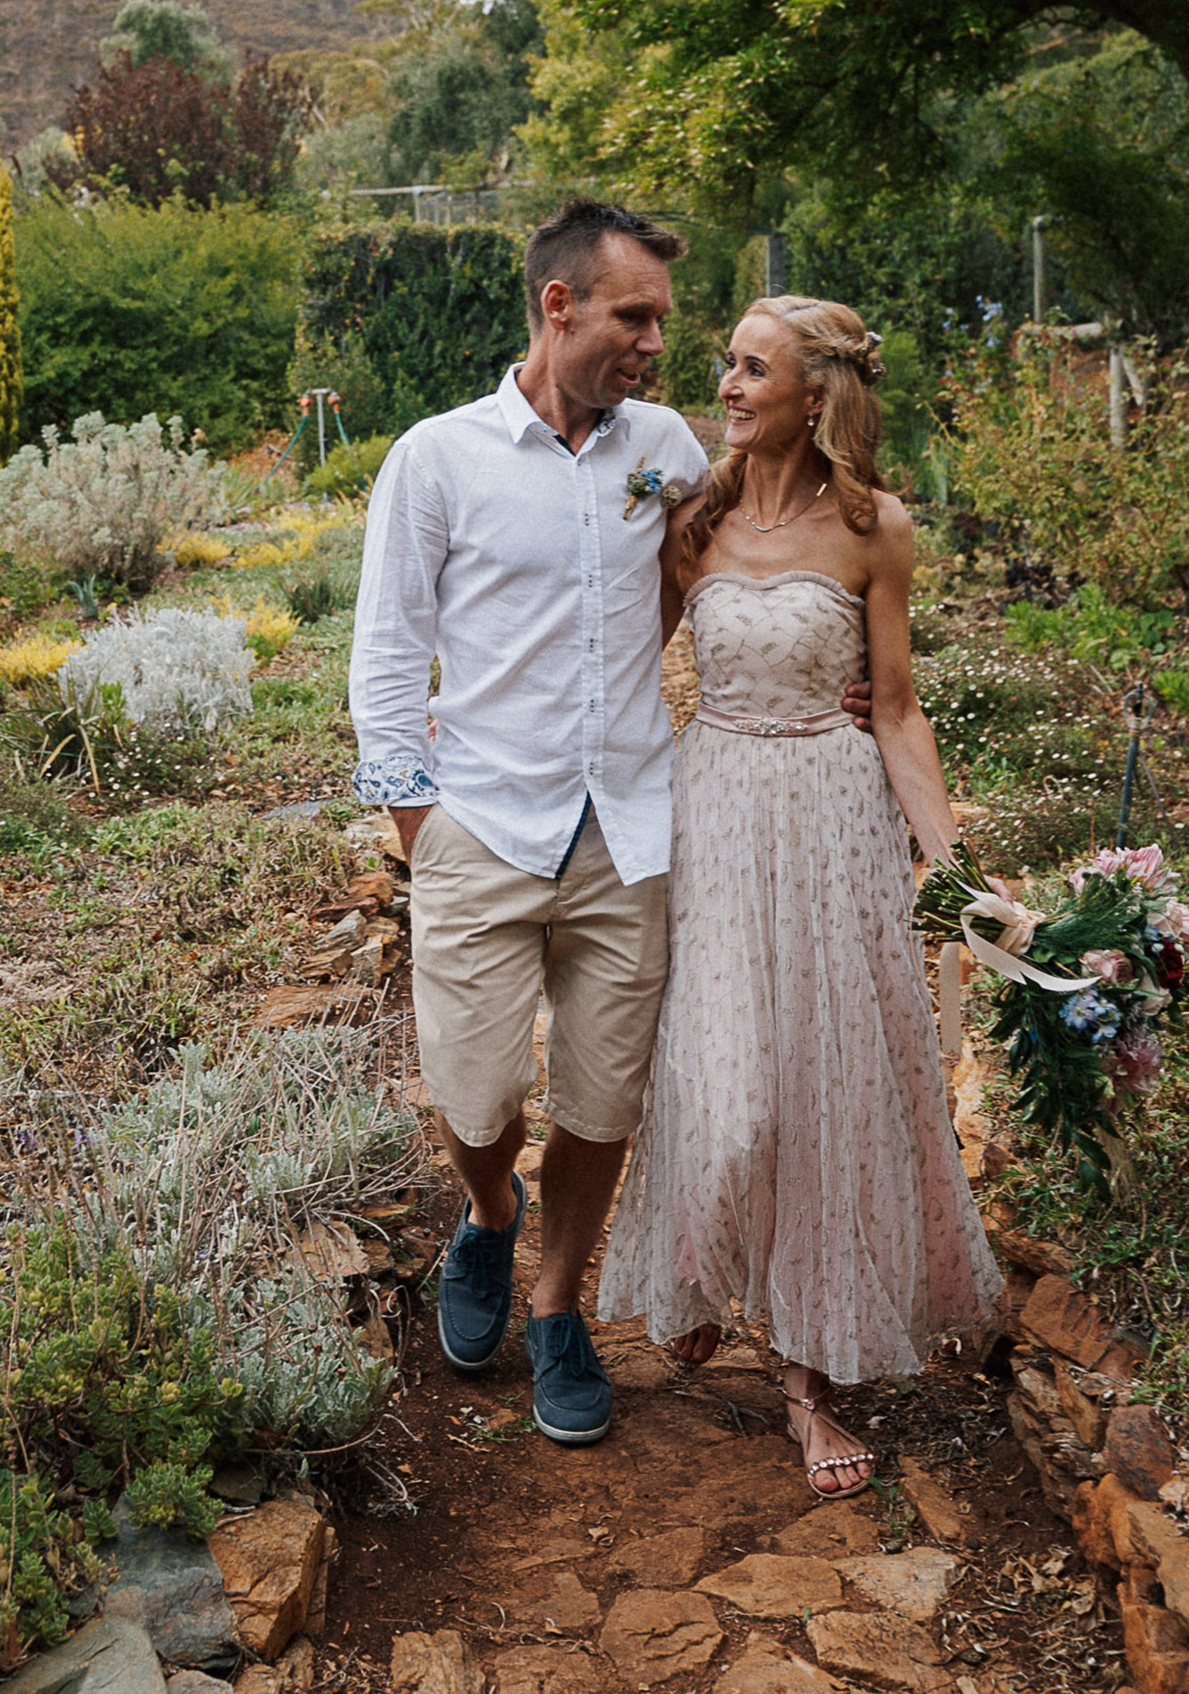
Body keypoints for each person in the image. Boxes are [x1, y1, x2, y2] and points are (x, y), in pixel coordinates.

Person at [348, 203, 870, 1444]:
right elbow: (383, 661)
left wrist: (828, 672)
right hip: (480, 821)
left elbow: (767, 551)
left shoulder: (672, 450)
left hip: (633, 827)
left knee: (600, 1100)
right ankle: (488, 1218)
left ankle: (556, 1307)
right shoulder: (437, 458)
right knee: (476, 1101)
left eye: (662, 323)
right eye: (635, 318)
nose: (654, 344)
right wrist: (423, 826)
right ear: (559, 306)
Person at [599, 295, 1003, 1499]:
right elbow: (618, 667)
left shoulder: (875, 527)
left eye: (750, 368)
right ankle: (705, 1265)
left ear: (814, 396)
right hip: (715, 809)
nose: (723, 384)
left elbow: (893, 707)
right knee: (729, 1095)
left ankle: (807, 1381)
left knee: (821, 1091)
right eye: (724, 363)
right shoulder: (692, 520)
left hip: (836, 826)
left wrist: (953, 865)